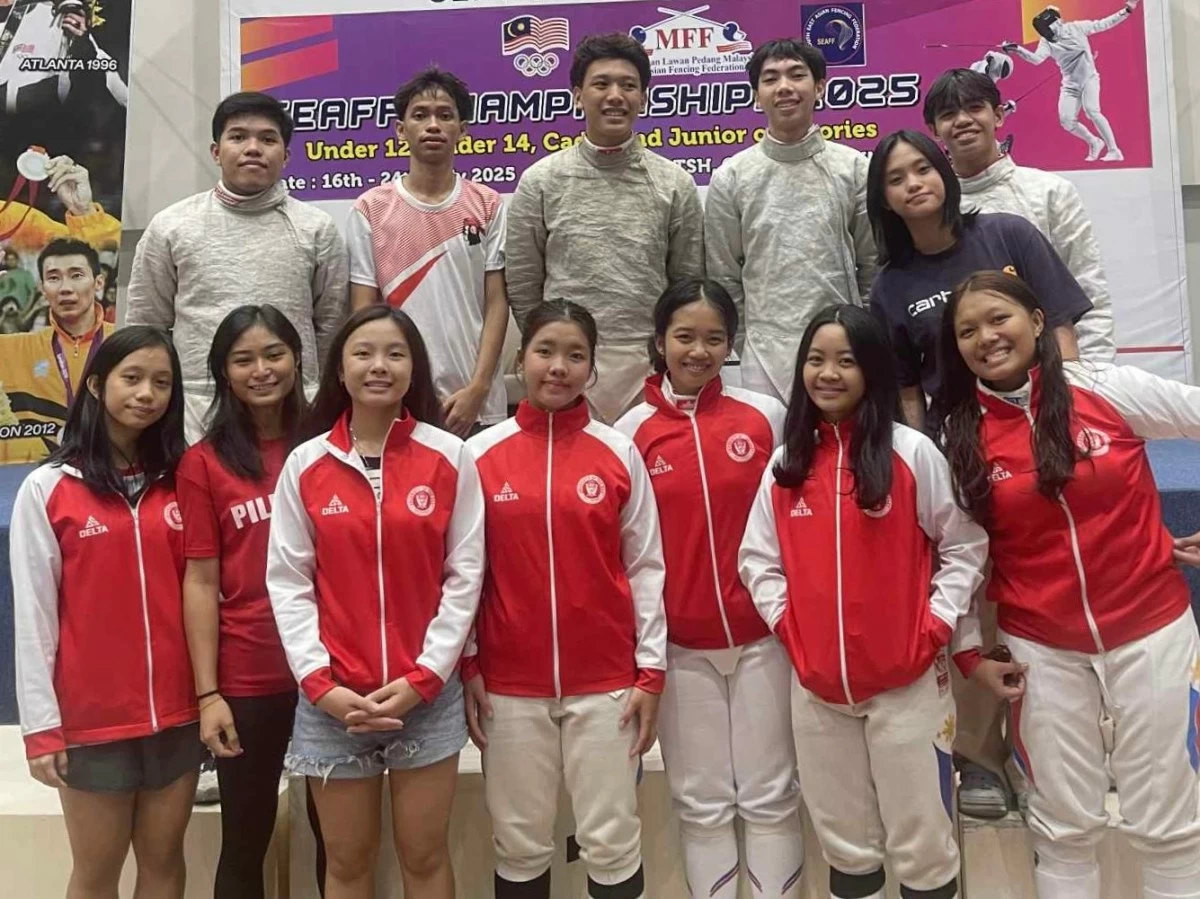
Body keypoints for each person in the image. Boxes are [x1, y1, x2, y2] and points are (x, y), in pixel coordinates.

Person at [939, 270, 1200, 899]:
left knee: (1169, 823)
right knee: (1063, 827)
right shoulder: (957, 434)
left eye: (998, 318)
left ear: (1036, 321)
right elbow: (960, 556)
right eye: (967, 331)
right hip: (1042, 650)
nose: (986, 337)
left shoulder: (1106, 389)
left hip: (1153, 632)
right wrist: (970, 651)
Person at [739, 304, 988, 899]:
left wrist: (931, 627)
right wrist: (790, 629)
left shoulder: (910, 453)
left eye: (847, 361)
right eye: (817, 360)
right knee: (846, 847)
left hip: (907, 689)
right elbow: (757, 560)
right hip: (818, 691)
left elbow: (964, 546)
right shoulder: (786, 465)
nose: (829, 374)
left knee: (923, 844)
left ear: (872, 370)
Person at [267, 304, 484, 898]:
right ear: (340, 368)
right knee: (347, 864)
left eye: (395, 353)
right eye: (363, 353)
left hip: (426, 698)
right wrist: (320, 685)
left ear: (414, 368)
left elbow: (465, 576)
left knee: (425, 857)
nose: (379, 366)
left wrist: (426, 677)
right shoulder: (305, 464)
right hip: (333, 700)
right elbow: (288, 583)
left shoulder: (451, 456)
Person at [463, 299, 667, 899]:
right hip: (508, 685)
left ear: (592, 367)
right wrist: (470, 663)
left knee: (611, 837)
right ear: (520, 358)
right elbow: (463, 575)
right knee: (519, 841)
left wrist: (651, 670)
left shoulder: (618, 452)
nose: (558, 367)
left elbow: (647, 567)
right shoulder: (477, 456)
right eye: (545, 351)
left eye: (575, 355)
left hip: (606, 684)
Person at [612, 279, 800, 898]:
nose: (699, 351)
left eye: (714, 338)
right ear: (660, 341)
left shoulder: (766, 416)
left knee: (771, 796)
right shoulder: (629, 433)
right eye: (685, 337)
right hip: (680, 649)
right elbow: (628, 553)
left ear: (731, 344)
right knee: (701, 802)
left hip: (764, 639)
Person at [11, 325, 203, 898]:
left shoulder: (184, 482)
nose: (148, 393)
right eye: (133, 377)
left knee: (165, 864)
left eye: (162, 382)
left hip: (179, 712)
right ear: (96, 384)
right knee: (96, 873)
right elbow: (34, 617)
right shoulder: (49, 489)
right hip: (92, 722)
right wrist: (42, 727)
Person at [177, 305, 328, 898]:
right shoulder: (204, 463)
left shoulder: (328, 446)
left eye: (274, 355)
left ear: (298, 360)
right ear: (223, 372)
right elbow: (200, 582)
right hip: (249, 675)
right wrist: (208, 692)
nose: (261, 370)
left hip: (329, 671)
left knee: (337, 837)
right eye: (243, 360)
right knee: (245, 835)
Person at [127, 91, 349, 441]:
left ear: (287, 156)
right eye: (238, 137)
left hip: (294, 408)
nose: (253, 148)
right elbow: (147, 325)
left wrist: (310, 390)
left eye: (267, 139)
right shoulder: (171, 226)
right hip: (198, 409)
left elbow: (331, 326)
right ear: (216, 152)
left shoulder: (317, 228)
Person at [506, 33, 704, 424]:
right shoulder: (541, 180)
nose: (615, 95)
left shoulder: (674, 183)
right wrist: (550, 350)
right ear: (578, 95)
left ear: (643, 97)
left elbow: (686, 283)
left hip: (647, 363)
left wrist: (665, 354)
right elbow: (523, 281)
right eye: (601, 84)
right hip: (565, 363)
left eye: (628, 85)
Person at [865, 129, 1091, 434]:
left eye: (923, 169)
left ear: (944, 172)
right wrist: (921, 456)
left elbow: (1060, 327)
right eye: (896, 180)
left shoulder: (1011, 234)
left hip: (1043, 417)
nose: (914, 184)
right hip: (960, 435)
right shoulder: (888, 287)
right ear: (885, 201)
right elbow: (908, 389)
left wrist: (1070, 414)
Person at [705, 38, 876, 403]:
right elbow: (723, 274)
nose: (784, 87)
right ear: (756, 95)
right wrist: (748, 340)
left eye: (797, 75)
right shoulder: (732, 176)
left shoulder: (854, 168)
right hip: (764, 355)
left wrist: (859, 334)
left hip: (844, 346)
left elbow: (872, 263)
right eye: (770, 79)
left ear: (819, 87)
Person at [347, 67, 509, 438]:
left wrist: (479, 387)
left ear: (462, 129)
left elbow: (497, 302)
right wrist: (386, 391)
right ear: (401, 130)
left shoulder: (487, 204)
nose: (432, 125)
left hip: (474, 404)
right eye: (420, 115)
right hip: (398, 400)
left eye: (445, 115)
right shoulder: (371, 208)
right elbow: (363, 313)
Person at [924, 67, 1115, 363]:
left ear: (998, 116)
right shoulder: (928, 209)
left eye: (975, 108)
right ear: (934, 130)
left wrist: (1091, 378)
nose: (963, 120)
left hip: (1051, 375)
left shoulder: (1050, 191)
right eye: (948, 114)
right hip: (964, 381)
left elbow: (1089, 291)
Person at [0, 237, 116, 463]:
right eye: (53, 278)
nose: (65, 288)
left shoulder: (124, 342)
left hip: (112, 474)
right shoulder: (14, 348)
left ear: (99, 283)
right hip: (35, 480)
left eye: (77, 275)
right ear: (43, 289)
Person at [1002, 0, 1142, 162]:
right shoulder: (1046, 42)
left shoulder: (1077, 27)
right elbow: (1036, 59)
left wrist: (1126, 11)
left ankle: (1114, 150)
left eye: (1048, 29)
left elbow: (1103, 24)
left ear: (1056, 23)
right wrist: (1017, 49)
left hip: (1089, 79)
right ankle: (1095, 142)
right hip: (1070, 86)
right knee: (1067, 120)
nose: (1047, 34)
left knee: (1092, 111)